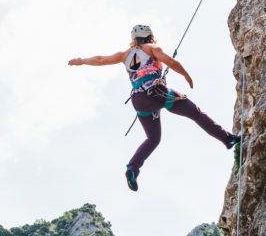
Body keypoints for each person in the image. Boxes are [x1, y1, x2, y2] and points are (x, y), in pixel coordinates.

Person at [68, 24, 239, 191]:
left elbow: (100, 60)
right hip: (157, 92)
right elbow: (170, 62)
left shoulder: (124, 55)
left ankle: (132, 168)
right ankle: (227, 139)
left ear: (133, 39)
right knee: (195, 113)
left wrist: (81, 61)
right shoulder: (151, 48)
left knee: (153, 138)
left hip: (138, 100)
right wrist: (186, 74)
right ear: (149, 36)